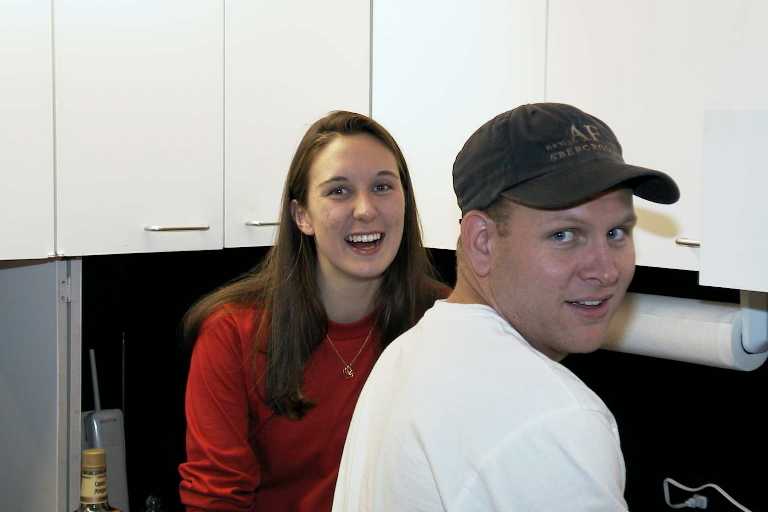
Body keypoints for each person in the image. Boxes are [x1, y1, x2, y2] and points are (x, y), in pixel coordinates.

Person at [332, 103, 680, 511]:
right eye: (564, 235)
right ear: (482, 242)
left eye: (617, 232)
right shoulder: (554, 419)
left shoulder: (404, 357)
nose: (605, 271)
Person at [178, 110, 448, 511]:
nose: (365, 209)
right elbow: (216, 500)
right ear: (301, 215)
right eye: (339, 191)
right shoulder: (233, 333)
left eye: (382, 187)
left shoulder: (443, 323)